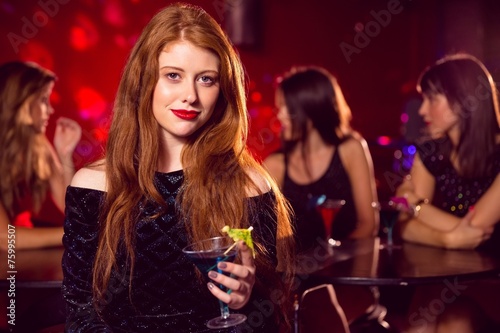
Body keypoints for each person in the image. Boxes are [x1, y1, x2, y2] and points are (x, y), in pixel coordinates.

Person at [62, 3, 296, 332]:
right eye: (173, 75)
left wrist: (247, 300)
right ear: (144, 81)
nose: (190, 95)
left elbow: (274, 317)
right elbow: (80, 314)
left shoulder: (250, 186)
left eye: (206, 79)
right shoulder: (93, 185)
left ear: (222, 91)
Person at [396, 53, 500, 333]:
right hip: (444, 274)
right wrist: (448, 239)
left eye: (433, 99)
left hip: (492, 278)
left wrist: (415, 203)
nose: (422, 111)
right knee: (420, 324)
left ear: (464, 100)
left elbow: (476, 231)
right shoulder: (431, 151)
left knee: (456, 323)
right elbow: (404, 227)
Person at [263, 66, 379, 252]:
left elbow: (368, 224)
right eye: (280, 107)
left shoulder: (350, 149)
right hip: (298, 274)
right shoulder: (275, 165)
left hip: (347, 268)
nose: (280, 115)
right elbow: (270, 237)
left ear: (312, 109)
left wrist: (332, 260)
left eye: (288, 109)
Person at [0, 61, 82, 250]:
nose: (50, 110)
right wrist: (74, 234)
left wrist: (65, 154)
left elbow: (72, 211)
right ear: (22, 104)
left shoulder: (37, 144)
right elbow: (5, 238)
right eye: (44, 100)